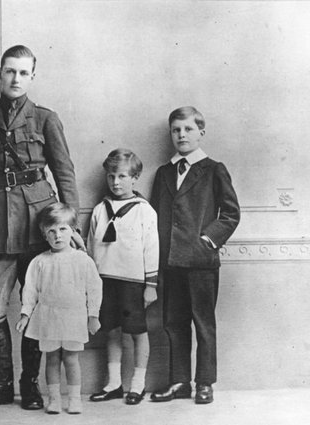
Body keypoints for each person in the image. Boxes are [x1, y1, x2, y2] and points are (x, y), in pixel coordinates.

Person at [0, 45, 81, 410]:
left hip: (38, 220)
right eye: (9, 71)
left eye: (23, 72)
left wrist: (70, 223)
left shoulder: (46, 118)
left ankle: (29, 385)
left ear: (33, 76)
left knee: (40, 303)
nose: (16, 79)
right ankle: (1, 384)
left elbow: (64, 172)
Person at [149, 106, 240, 404]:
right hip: (170, 262)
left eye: (188, 129)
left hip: (201, 262)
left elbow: (230, 214)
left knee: (203, 323)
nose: (181, 135)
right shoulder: (164, 172)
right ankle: (179, 382)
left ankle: (204, 383)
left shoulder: (214, 169)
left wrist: (207, 241)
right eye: (176, 130)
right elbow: (155, 217)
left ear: (201, 131)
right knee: (173, 323)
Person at [87, 148, 159, 405]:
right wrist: (91, 283)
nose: (115, 182)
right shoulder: (99, 209)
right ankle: (114, 382)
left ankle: (137, 384)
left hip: (133, 282)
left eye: (122, 176)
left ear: (135, 177)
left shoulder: (144, 211)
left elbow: (152, 249)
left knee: (137, 331)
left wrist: (150, 285)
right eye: (110, 176)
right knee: (112, 331)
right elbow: (91, 247)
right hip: (105, 279)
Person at [15, 203, 101, 414]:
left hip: (73, 316)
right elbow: (30, 290)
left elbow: (94, 288)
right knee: (52, 358)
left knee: (71, 358)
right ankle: (53, 399)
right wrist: (25, 315)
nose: (57, 235)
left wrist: (93, 315)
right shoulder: (40, 261)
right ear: (44, 235)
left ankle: (74, 399)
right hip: (49, 316)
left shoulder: (82, 260)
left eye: (63, 229)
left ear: (72, 231)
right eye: (51, 231)